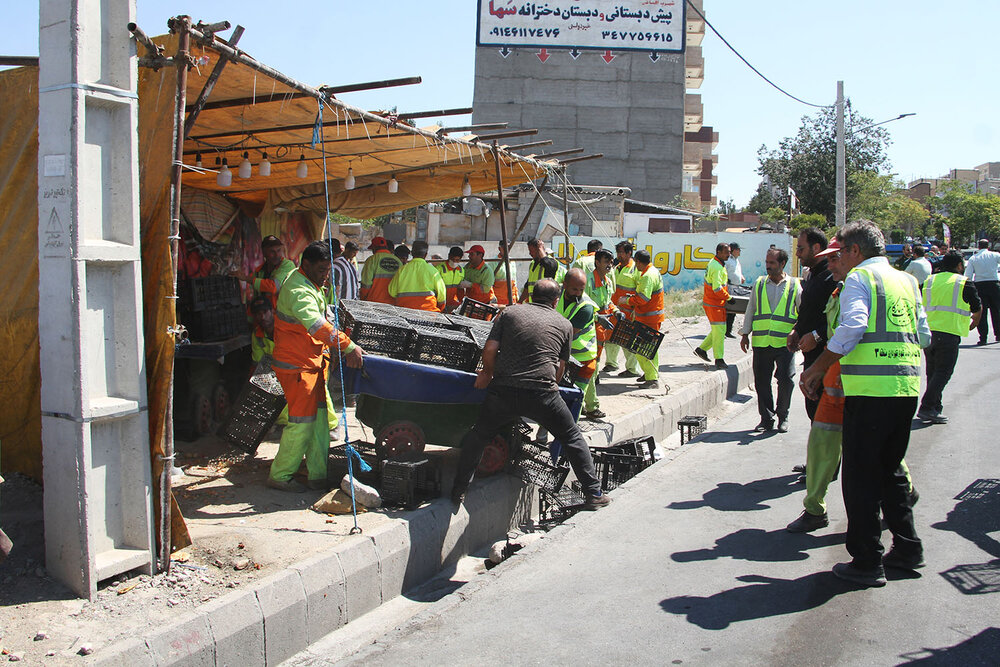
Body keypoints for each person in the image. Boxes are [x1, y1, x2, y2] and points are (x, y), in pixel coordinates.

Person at [800, 221, 930, 587]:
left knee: (860, 477)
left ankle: (867, 560)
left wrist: (818, 368)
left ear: (856, 251)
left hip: (870, 393)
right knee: (890, 472)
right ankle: (907, 548)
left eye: (841, 251)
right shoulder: (906, 280)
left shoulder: (860, 279)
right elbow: (923, 333)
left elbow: (853, 325)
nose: (837, 258)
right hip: (905, 389)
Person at [450, 279, 609, 510]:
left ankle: (458, 490)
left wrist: (486, 373)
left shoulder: (510, 313)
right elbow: (560, 366)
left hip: (503, 390)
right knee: (572, 437)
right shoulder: (564, 324)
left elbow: (491, 348)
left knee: (480, 434)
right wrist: (550, 388)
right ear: (556, 301)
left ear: (532, 296)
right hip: (542, 393)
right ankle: (594, 493)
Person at [270, 240, 365, 492]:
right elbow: (315, 324)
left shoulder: (310, 284)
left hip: (312, 364)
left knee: (320, 421)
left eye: (328, 270)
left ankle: (317, 474)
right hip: (297, 366)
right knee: (301, 423)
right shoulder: (298, 290)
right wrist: (347, 345)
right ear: (307, 264)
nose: (326, 275)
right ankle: (280, 476)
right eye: (322, 270)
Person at [786, 238, 847, 533]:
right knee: (821, 433)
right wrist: (799, 330)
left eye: (835, 258)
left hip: (854, 382)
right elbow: (815, 315)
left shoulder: (853, 287)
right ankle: (815, 506)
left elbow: (847, 328)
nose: (831, 264)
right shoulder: (826, 281)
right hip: (829, 372)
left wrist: (818, 344)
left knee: (872, 454)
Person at [740, 248, 801, 433]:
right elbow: (751, 309)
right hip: (761, 342)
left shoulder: (794, 285)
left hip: (785, 343)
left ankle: (783, 416)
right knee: (762, 382)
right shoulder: (759, 283)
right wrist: (745, 333)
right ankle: (766, 419)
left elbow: (803, 312)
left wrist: (797, 333)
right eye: (767, 262)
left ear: (782, 264)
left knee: (785, 380)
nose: (768, 266)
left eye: (772, 263)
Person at [917, 250, 982, 423]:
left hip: (928, 333)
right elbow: (976, 307)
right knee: (944, 372)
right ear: (960, 265)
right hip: (949, 333)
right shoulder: (963, 282)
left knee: (933, 372)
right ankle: (927, 407)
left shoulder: (929, 281)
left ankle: (935, 408)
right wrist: (975, 322)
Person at [787, 227, 836, 421]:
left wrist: (816, 335)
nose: (797, 254)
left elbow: (838, 321)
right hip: (811, 357)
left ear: (816, 247)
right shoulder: (814, 275)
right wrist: (797, 330)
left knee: (825, 421)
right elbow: (811, 311)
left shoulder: (831, 277)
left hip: (826, 359)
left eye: (801, 248)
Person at [557, 268, 602, 419]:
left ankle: (569, 437)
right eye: (574, 289)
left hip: (583, 360)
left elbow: (567, 335)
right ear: (565, 285)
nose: (577, 293)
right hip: (566, 357)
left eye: (581, 290)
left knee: (574, 400)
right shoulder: (557, 296)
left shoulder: (586, 307)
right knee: (559, 398)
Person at [618, 250, 665, 389]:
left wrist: (626, 300)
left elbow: (643, 298)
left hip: (649, 318)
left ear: (638, 261)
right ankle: (649, 373)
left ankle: (652, 379)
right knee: (643, 348)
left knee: (646, 349)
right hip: (648, 317)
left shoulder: (647, 276)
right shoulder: (652, 271)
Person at [584, 249, 619, 418]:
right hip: (588, 333)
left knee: (594, 370)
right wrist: (597, 318)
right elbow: (582, 308)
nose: (609, 265)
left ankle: (584, 404)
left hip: (600, 333)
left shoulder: (607, 281)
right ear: (597, 262)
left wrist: (616, 310)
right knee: (591, 370)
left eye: (611, 262)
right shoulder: (588, 282)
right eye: (606, 261)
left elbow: (608, 302)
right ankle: (591, 406)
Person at [603, 241, 641, 377]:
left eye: (621, 252)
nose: (619, 255)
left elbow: (639, 291)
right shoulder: (615, 267)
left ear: (629, 253)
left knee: (627, 340)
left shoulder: (635, 269)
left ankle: (632, 369)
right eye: (618, 252)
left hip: (628, 312)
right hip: (614, 310)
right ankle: (611, 363)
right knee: (610, 338)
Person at [694, 242, 731, 369]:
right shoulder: (717, 267)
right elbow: (717, 288)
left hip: (713, 303)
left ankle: (702, 349)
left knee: (718, 330)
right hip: (715, 304)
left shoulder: (715, 263)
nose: (728, 254)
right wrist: (729, 298)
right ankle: (719, 359)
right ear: (718, 252)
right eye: (726, 252)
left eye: (729, 252)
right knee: (720, 331)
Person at [233, 235, 297, 307]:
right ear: (264, 252)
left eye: (279, 250)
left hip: (283, 315)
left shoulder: (288, 265)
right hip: (269, 315)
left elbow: (273, 287)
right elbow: (254, 287)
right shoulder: (260, 270)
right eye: (272, 252)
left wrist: (245, 278)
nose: (277, 255)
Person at [388, 240, 447, 311]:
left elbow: (392, 292)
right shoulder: (433, 271)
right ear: (425, 255)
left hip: (405, 314)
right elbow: (442, 297)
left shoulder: (402, 270)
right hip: (429, 315)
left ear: (412, 253)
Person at [965, 238, 1000, 345]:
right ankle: (998, 335)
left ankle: (983, 338)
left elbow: (968, 276)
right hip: (994, 285)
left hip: (980, 286)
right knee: (997, 311)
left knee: (982, 312)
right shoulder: (995, 255)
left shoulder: (973, 258)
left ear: (978, 246)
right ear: (988, 246)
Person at [519, 238, 565, 303]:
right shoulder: (532, 264)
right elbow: (528, 286)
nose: (530, 253)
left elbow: (549, 265)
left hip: (546, 302)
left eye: (532, 251)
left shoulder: (551, 262)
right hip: (534, 302)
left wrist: (541, 248)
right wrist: (520, 301)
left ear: (539, 250)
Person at [359, 236, 403, 304]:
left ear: (374, 248)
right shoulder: (398, 261)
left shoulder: (371, 260)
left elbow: (366, 284)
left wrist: (363, 298)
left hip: (375, 303)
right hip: (393, 304)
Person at [724, 242, 745, 338]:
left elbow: (737, 271)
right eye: (738, 249)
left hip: (736, 287)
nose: (740, 251)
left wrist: (741, 277)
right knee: (727, 309)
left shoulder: (737, 261)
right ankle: (724, 330)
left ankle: (728, 331)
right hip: (729, 287)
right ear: (733, 250)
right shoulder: (727, 260)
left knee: (733, 310)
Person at [439, 246, 466, 312]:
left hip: (451, 304)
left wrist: (461, 303)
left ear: (460, 259)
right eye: (452, 259)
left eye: (457, 260)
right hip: (440, 303)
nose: (454, 262)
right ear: (449, 256)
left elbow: (460, 291)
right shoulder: (439, 269)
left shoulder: (461, 271)